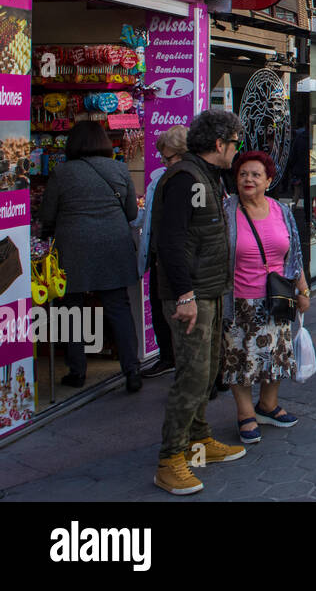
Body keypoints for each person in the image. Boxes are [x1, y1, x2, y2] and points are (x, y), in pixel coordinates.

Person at [151, 109, 245, 495]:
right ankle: (170, 459)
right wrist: (186, 294)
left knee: (206, 373)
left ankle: (198, 440)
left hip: (208, 290)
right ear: (219, 144)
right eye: (235, 144)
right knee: (191, 375)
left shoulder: (205, 175)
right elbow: (170, 242)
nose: (237, 152)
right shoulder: (186, 178)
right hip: (191, 296)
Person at [37, 120, 142, 393]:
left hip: (73, 246)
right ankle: (132, 371)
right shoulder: (119, 168)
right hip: (114, 245)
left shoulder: (62, 173)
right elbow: (131, 213)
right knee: (118, 306)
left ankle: (77, 371)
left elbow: (47, 215)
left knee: (70, 308)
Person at [221, 151, 310, 445]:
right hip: (239, 300)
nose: (249, 179)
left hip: (278, 296)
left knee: (276, 355)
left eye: (256, 174)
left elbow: (294, 251)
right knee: (240, 359)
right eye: (243, 174)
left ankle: (268, 405)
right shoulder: (227, 210)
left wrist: (303, 289)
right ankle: (245, 413)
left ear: (269, 180)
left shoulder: (280, 210)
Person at [135, 125, 188, 379]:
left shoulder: (182, 180)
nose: (165, 162)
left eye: (169, 157)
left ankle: (181, 364)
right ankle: (169, 357)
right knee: (160, 307)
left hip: (176, 257)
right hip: (163, 255)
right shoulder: (163, 180)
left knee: (173, 311)